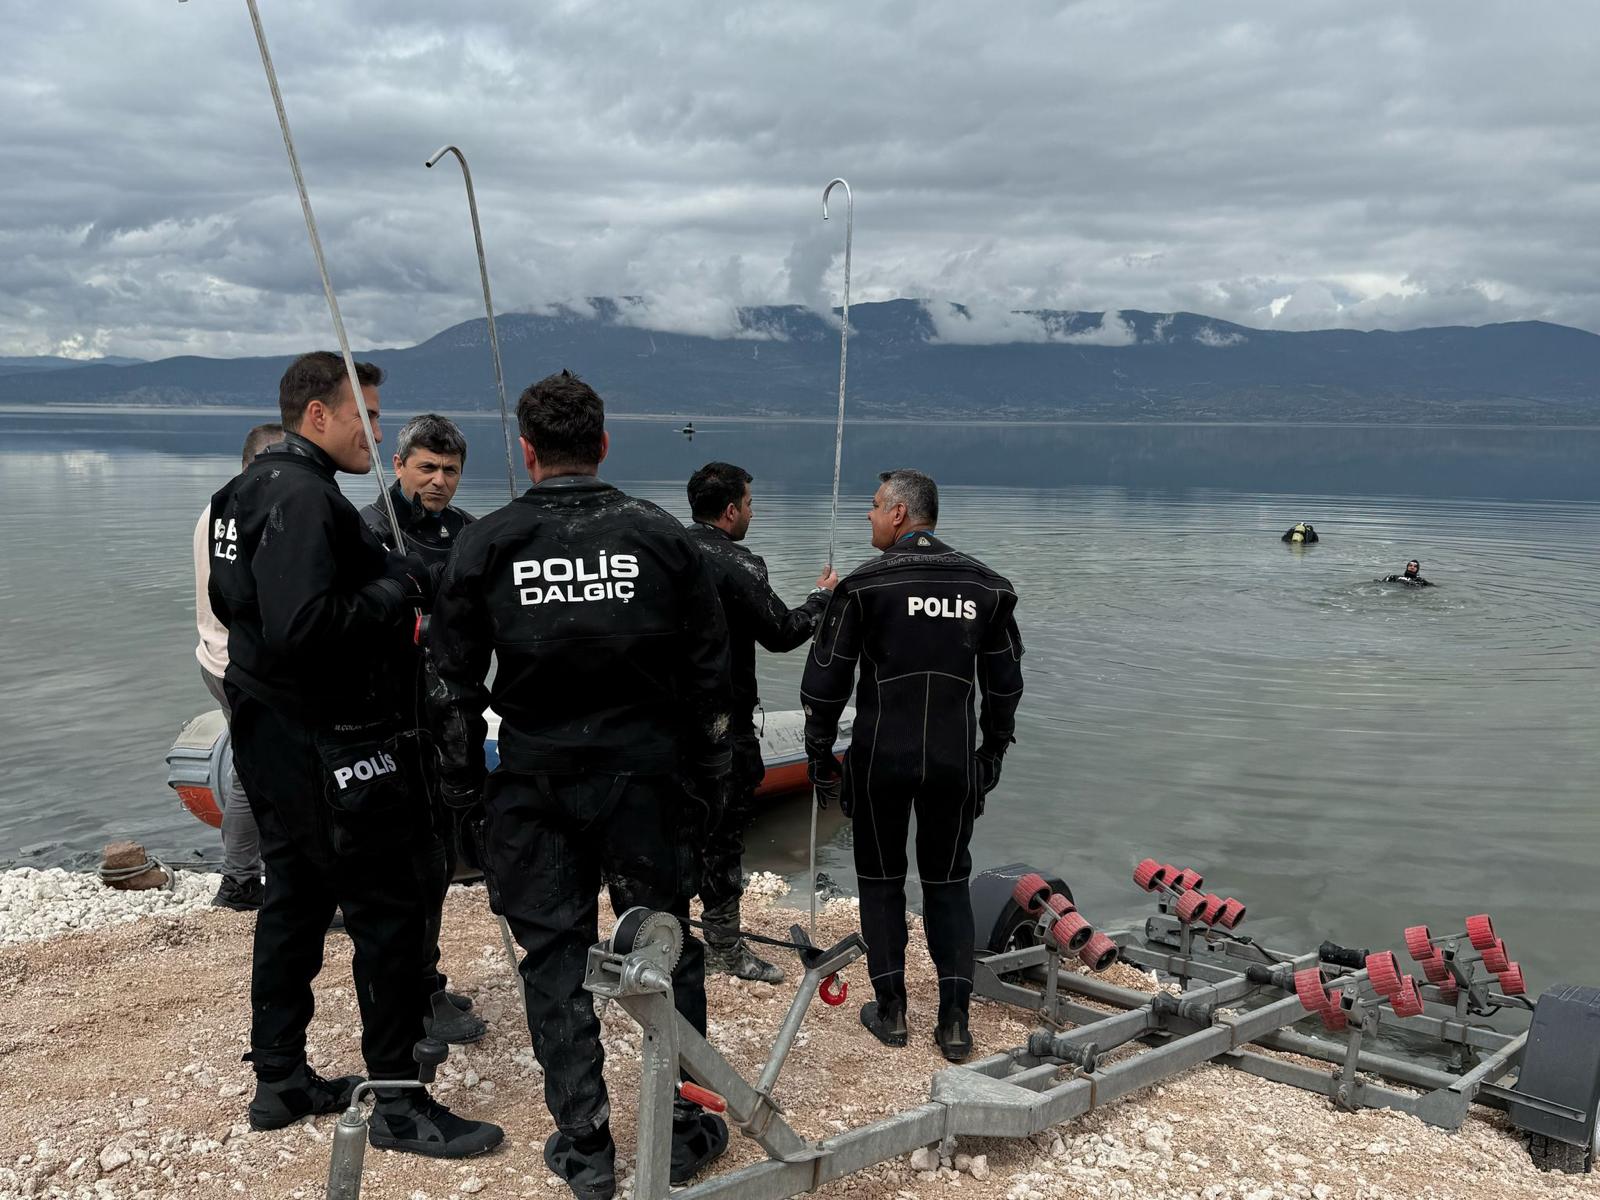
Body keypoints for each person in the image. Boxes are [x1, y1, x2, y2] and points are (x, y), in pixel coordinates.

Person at [429, 370, 734, 1200]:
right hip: (644, 781)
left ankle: (588, 1144)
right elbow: (713, 679)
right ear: (602, 444)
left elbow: (451, 689)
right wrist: (712, 791)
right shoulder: (660, 536)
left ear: (527, 452)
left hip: (535, 783)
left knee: (554, 960)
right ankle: (675, 1127)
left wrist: (463, 800)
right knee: (664, 949)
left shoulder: (488, 541)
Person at [207, 351, 502, 1159]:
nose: (376, 432)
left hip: (270, 735)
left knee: (294, 900)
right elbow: (303, 625)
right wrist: (398, 586)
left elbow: (235, 608)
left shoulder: (241, 492)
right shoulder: (306, 497)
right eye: (365, 416)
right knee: (390, 909)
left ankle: (280, 1078)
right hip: (331, 744)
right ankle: (402, 1105)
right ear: (317, 416)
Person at [800, 469, 1024, 1065]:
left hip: (880, 759)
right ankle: (954, 1023)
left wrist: (821, 754)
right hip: (953, 760)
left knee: (880, 879)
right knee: (947, 882)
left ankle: (893, 1010)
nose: (869, 517)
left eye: (874, 507)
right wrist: (992, 753)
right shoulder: (986, 586)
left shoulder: (864, 585)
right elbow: (1005, 686)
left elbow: (825, 682)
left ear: (900, 514)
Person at [684, 462, 838, 984]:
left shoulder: (662, 552)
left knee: (673, 830)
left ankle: (670, 939)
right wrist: (822, 599)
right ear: (730, 511)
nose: (752, 512)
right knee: (725, 834)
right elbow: (781, 632)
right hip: (723, 727)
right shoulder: (737, 561)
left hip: (661, 724)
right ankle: (724, 947)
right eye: (749, 504)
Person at [359, 413, 486, 1046]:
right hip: (392, 719)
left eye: (450, 470)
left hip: (450, 717)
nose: (438, 481)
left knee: (439, 856)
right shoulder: (370, 529)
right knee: (411, 863)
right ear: (401, 465)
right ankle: (411, 996)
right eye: (427, 467)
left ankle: (424, 978)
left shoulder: (466, 532)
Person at [194, 421, 284, 911]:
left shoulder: (215, 508)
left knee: (250, 772)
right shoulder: (254, 512)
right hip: (242, 666)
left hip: (213, 657)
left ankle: (241, 877)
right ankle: (241, 880)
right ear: (257, 463)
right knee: (259, 776)